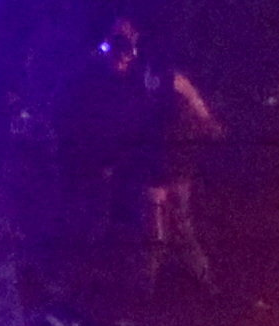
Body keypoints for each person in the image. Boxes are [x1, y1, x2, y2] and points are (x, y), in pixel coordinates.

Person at [73, 19, 222, 299]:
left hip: (167, 159)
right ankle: (179, 282)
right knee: (165, 226)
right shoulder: (129, 79)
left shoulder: (145, 74)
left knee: (168, 227)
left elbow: (177, 85)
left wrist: (205, 118)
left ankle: (159, 285)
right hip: (162, 160)